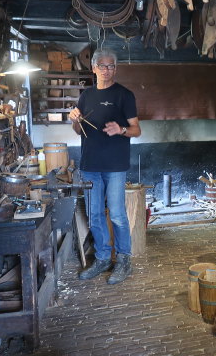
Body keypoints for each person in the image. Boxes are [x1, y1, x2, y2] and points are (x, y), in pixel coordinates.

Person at [69, 48, 141, 284]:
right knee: (95, 215)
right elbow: (78, 131)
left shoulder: (124, 95)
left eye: (111, 66)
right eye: (103, 65)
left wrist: (120, 130)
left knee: (118, 214)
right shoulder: (85, 95)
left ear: (115, 69)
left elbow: (136, 130)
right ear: (94, 68)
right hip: (90, 165)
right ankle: (102, 259)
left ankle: (123, 260)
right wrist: (76, 121)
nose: (107, 70)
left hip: (115, 166)